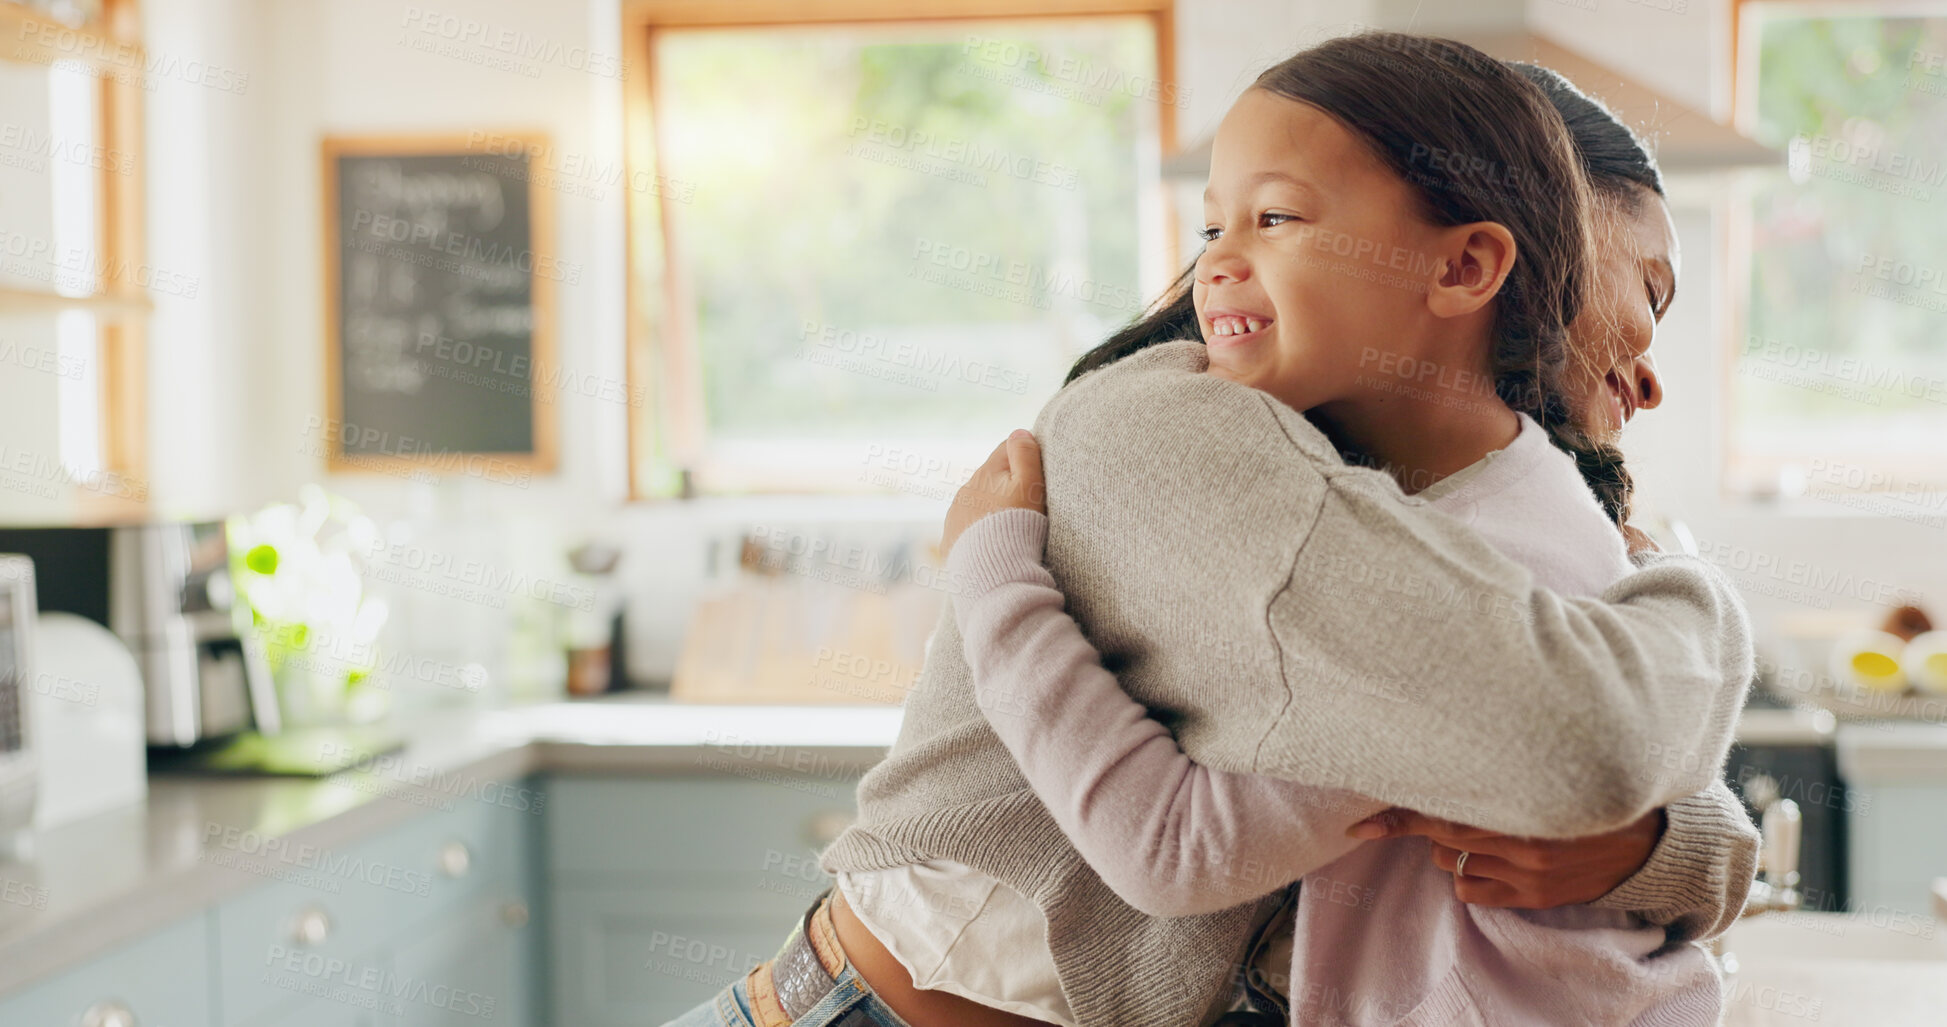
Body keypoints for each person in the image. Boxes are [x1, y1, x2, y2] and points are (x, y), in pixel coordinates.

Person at [666, 34, 1754, 1027]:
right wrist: (1695, 610)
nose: (1651, 368)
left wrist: (1654, 844)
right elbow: (1568, 730)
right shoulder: (1174, 430)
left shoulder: (1447, 494)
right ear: (1494, 249)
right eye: (1646, 289)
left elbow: (1580, 739)